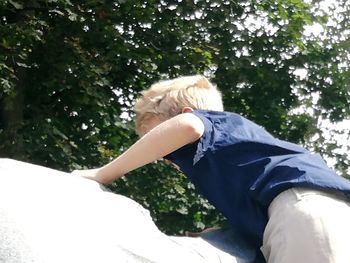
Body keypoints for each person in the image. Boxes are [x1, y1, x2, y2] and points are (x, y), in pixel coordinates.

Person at [72, 75, 350, 263]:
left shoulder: (205, 123)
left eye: (158, 143)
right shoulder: (239, 150)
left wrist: (102, 174)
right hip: (316, 213)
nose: (165, 158)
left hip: (305, 210)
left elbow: (188, 127)